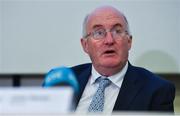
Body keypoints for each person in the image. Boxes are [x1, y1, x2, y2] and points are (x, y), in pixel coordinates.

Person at [57, 6, 176, 114]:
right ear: (85, 45)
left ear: (129, 42)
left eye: (117, 31)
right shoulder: (64, 81)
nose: (109, 40)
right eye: (99, 33)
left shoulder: (157, 90)